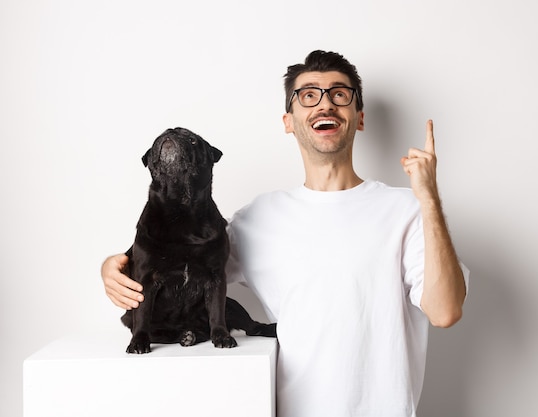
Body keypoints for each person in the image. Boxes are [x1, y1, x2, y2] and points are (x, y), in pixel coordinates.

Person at [102, 50, 468, 417]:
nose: (325, 104)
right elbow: (181, 263)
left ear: (359, 117)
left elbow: (445, 310)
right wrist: (112, 266)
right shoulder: (257, 219)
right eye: (308, 95)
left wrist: (430, 198)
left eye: (339, 94)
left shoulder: (406, 209)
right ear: (289, 121)